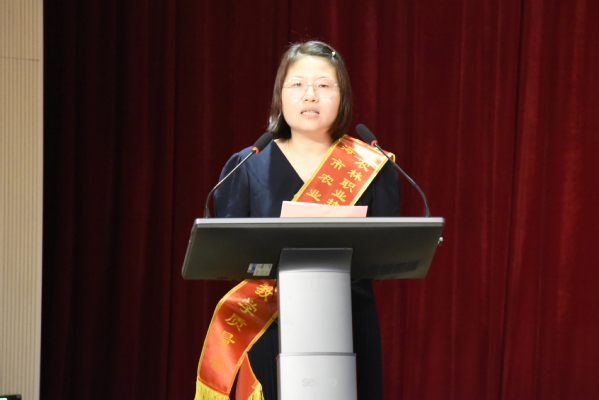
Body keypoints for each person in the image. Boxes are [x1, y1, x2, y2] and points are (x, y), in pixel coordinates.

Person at [209, 41, 400, 400]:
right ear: (279, 95)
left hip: (349, 320)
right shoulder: (248, 165)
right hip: (270, 323)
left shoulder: (373, 167)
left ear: (342, 97)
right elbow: (229, 254)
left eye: (324, 85)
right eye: (297, 84)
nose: (310, 94)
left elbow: (384, 254)